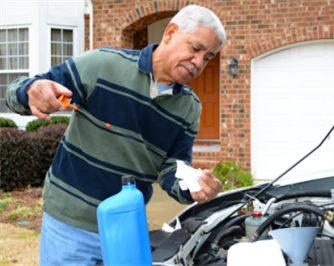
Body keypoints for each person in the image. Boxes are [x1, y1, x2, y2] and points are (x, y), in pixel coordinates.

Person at [6, 4, 226, 265]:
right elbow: (16, 92)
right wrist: (33, 89)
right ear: (170, 33)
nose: (199, 63)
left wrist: (193, 187)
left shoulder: (190, 108)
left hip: (128, 227)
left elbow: (172, 169)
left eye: (209, 57)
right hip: (71, 224)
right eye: (196, 48)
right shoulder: (102, 65)